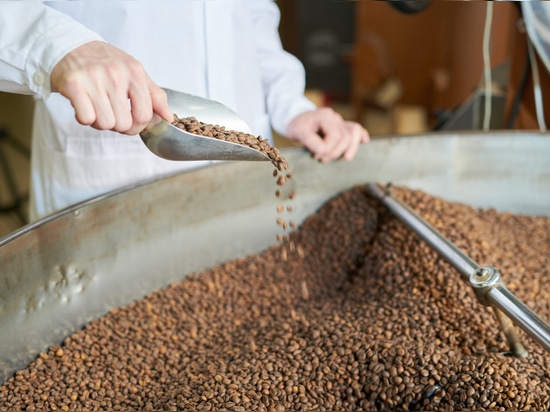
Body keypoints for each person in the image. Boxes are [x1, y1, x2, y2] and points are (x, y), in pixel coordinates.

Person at [0, 1, 369, 221]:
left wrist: (290, 104)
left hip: (242, 168)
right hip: (109, 170)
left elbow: (252, 14)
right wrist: (57, 46)